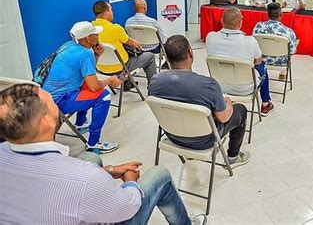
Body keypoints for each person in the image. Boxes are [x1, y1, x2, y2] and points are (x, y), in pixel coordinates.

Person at [0, 83, 206, 224]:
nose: (56, 103)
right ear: (45, 121)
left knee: (92, 157)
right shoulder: (85, 178)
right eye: (52, 102)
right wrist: (131, 181)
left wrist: (107, 170)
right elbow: (128, 206)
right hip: (112, 206)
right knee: (160, 174)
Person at [149, 35, 250, 168]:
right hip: (204, 140)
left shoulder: (155, 81)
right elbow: (224, 118)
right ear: (191, 53)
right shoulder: (208, 85)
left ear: (166, 58)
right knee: (240, 109)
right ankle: (233, 157)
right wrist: (229, 103)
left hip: (172, 136)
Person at [42, 21, 120, 153]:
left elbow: (87, 75)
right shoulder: (84, 53)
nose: (98, 35)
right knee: (104, 96)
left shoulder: (68, 46)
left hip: (45, 97)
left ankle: (80, 123)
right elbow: (95, 86)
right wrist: (110, 80)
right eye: (95, 33)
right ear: (87, 38)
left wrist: (96, 55)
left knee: (86, 85)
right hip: (57, 102)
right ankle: (93, 144)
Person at [206, 7, 274, 116]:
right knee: (263, 66)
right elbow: (258, 62)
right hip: (245, 88)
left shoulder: (210, 37)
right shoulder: (250, 41)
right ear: (240, 22)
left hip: (218, 86)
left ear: (222, 21)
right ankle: (265, 103)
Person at [92, 1, 157, 90]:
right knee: (150, 57)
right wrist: (139, 44)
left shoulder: (91, 28)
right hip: (120, 68)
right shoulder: (116, 28)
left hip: (100, 68)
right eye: (111, 10)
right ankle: (153, 88)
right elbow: (131, 43)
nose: (112, 12)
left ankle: (128, 83)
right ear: (106, 13)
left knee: (123, 52)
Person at [125, 0, 169, 69]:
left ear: (134, 8)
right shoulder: (152, 22)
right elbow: (162, 40)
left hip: (137, 48)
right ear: (145, 8)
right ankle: (167, 63)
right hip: (155, 48)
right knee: (169, 40)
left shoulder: (128, 22)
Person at [253, 2, 298, 67]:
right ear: (281, 15)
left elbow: (254, 44)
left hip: (260, 60)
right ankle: (283, 73)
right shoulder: (289, 32)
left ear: (268, 15)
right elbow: (292, 51)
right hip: (281, 62)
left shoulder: (258, 26)